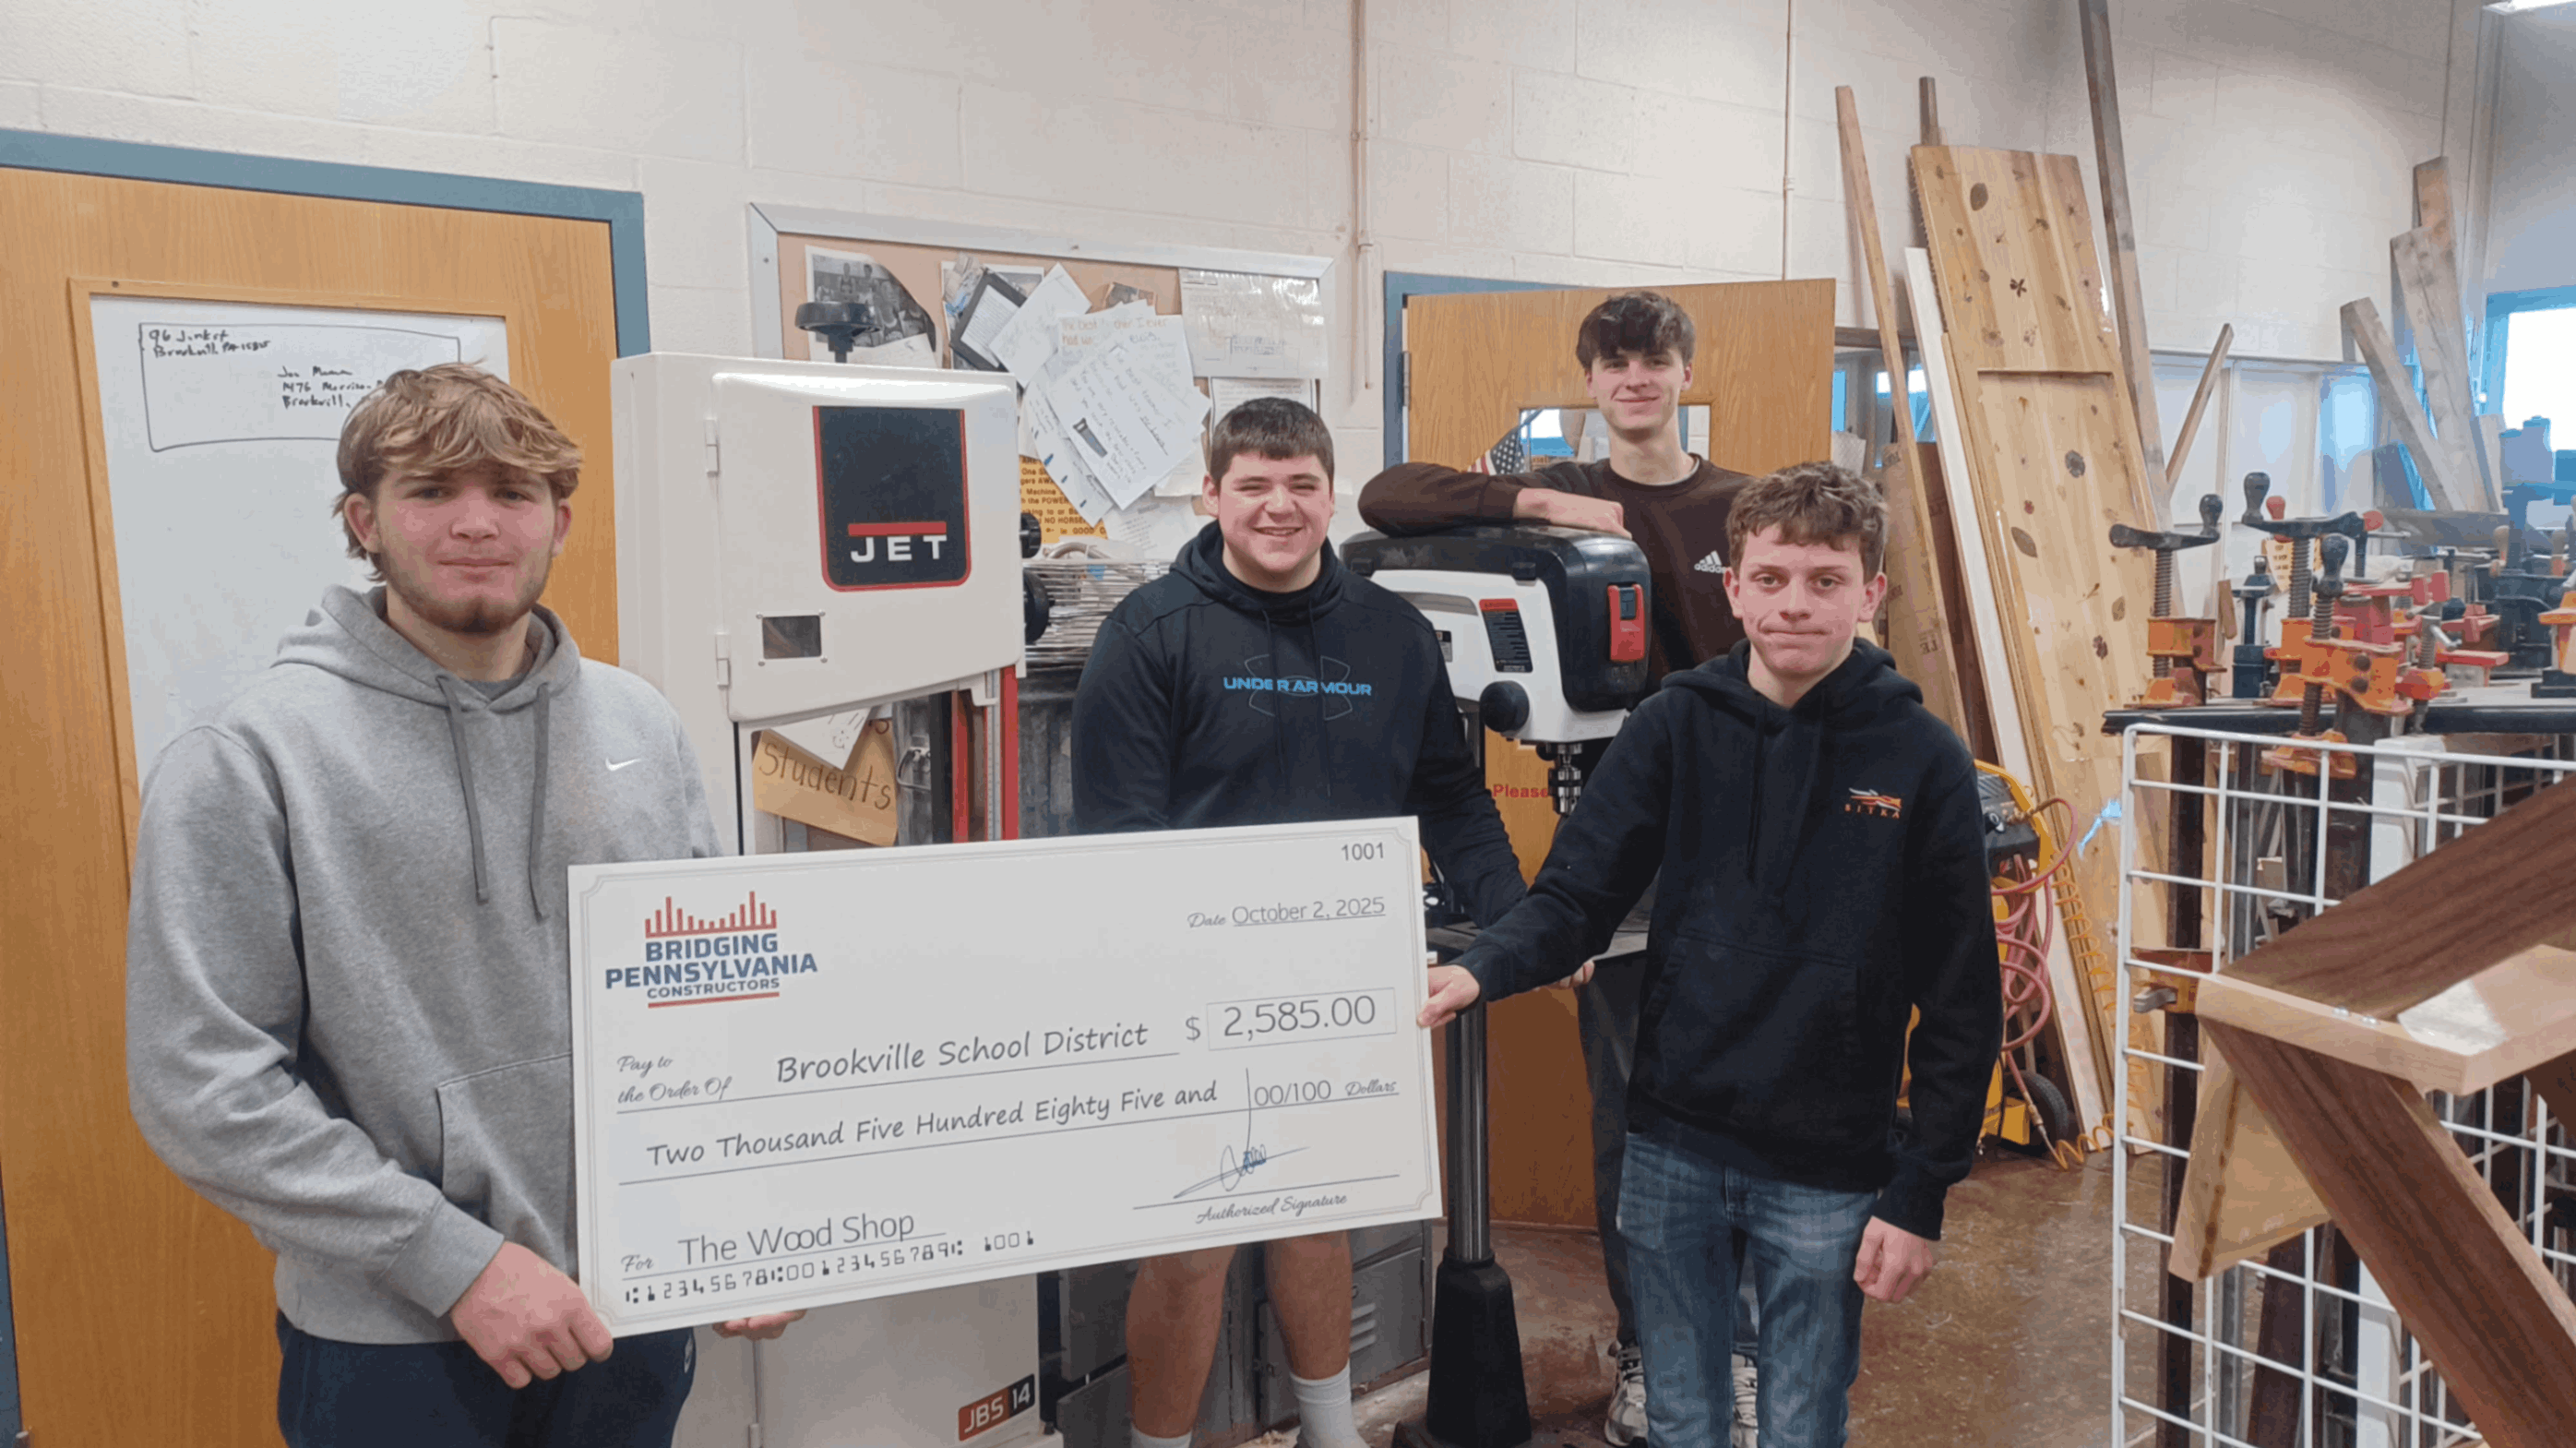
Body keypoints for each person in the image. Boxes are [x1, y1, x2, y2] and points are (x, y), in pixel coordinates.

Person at [125, 365, 801, 1448]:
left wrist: (740, 1222)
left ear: (559, 521)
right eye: (432, 490)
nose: (476, 523)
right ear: (365, 522)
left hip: (628, 1311)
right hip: (396, 1337)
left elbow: (705, 1007)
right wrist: (456, 1264)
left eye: (512, 492)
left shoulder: (640, 726)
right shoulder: (250, 758)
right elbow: (203, 1086)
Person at [1418, 462, 2002, 1448]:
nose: (1793, 605)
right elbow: (1577, 896)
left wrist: (1920, 1191)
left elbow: (1960, 998)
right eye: (1768, 579)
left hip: (1825, 1164)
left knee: (1800, 1419)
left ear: (1870, 594)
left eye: (1824, 580)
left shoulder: (1922, 759)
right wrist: (1483, 969)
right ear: (1731, 588)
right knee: (1678, 1417)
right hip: (1671, 1145)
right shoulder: (1673, 726)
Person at [1072, 398, 1531, 1448]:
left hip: (1342, 981)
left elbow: (1449, 797)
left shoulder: (1391, 632)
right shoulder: (1148, 636)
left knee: (1319, 1217)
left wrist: (1522, 922)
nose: (1278, 508)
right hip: (1188, 1000)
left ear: (1328, 494)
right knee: (1190, 1248)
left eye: (1300, 486)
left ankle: (1328, 1433)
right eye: (1252, 486)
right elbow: (1116, 842)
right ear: (1212, 495)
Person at [1358, 288, 1752, 1444]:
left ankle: (1726, 1351)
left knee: (1736, 1111)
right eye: (1614, 364)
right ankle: (1644, 1353)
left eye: (1655, 361)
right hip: (1619, 844)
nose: (1635, 380)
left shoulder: (1742, 505)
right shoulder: (1569, 494)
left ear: (1684, 372)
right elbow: (1388, 499)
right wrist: (1539, 494)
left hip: (1738, 843)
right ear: (1589, 380)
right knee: (1632, 1114)